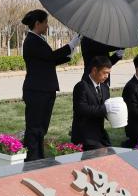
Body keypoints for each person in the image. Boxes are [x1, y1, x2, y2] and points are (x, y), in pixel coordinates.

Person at [21, 9, 81, 161]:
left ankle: (37, 156)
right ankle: (32, 159)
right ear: (38, 23)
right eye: (46, 22)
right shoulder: (32, 41)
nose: (47, 26)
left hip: (43, 90)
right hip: (37, 91)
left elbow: (49, 61)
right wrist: (73, 43)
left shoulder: (38, 39)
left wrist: (69, 54)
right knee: (35, 127)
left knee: (41, 127)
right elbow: (51, 56)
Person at [70, 56, 113, 151]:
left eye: (108, 73)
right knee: (104, 154)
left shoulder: (105, 87)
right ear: (94, 70)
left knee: (113, 153)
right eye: (104, 72)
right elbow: (81, 109)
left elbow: (106, 108)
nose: (107, 76)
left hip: (100, 134)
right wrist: (106, 108)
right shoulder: (81, 86)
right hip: (85, 136)